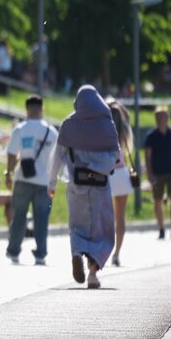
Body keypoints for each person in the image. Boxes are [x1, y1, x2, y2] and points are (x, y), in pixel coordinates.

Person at [49, 85, 120, 289]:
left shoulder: (69, 125)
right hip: (100, 186)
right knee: (103, 229)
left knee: (77, 226)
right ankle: (92, 274)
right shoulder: (107, 126)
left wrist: (51, 183)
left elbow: (56, 157)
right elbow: (116, 156)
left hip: (76, 185)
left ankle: (76, 253)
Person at [4, 95, 58, 265]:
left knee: (19, 217)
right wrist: (53, 180)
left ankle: (14, 251)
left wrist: (8, 174)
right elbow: (57, 158)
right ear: (41, 109)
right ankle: (40, 254)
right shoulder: (52, 132)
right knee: (42, 219)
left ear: (26, 109)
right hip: (44, 181)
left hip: (22, 179)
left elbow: (12, 154)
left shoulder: (20, 129)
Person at [145, 107, 171, 239]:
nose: (160, 120)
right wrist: (149, 174)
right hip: (157, 173)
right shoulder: (151, 137)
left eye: (163, 117)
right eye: (158, 117)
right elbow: (147, 157)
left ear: (167, 118)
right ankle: (161, 228)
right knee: (157, 201)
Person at [107, 100, 135, 266]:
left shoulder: (104, 130)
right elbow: (128, 115)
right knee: (120, 217)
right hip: (122, 175)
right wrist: (119, 105)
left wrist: (111, 104)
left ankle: (106, 249)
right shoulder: (124, 131)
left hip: (108, 175)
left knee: (107, 217)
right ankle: (117, 254)